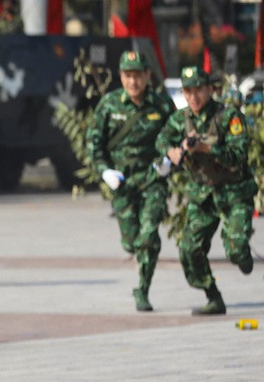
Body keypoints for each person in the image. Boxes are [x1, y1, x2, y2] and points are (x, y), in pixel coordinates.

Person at [155, 66, 256, 315]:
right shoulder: (180, 119)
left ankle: (242, 255)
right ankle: (213, 296)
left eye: (198, 90)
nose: (194, 97)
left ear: (210, 89)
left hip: (234, 194)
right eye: (188, 91)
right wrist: (173, 151)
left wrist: (205, 149)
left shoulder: (228, 117)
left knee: (235, 250)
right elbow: (161, 140)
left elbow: (238, 154)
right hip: (203, 196)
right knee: (189, 250)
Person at [85, 50, 176, 312]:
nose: (133, 82)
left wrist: (169, 163)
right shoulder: (109, 105)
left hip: (152, 180)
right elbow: (94, 145)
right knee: (130, 241)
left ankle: (143, 289)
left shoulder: (161, 105)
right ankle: (140, 253)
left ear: (148, 75)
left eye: (138, 76)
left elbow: (177, 138)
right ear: (121, 77)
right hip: (122, 183)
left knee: (148, 235)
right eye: (127, 76)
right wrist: (104, 171)